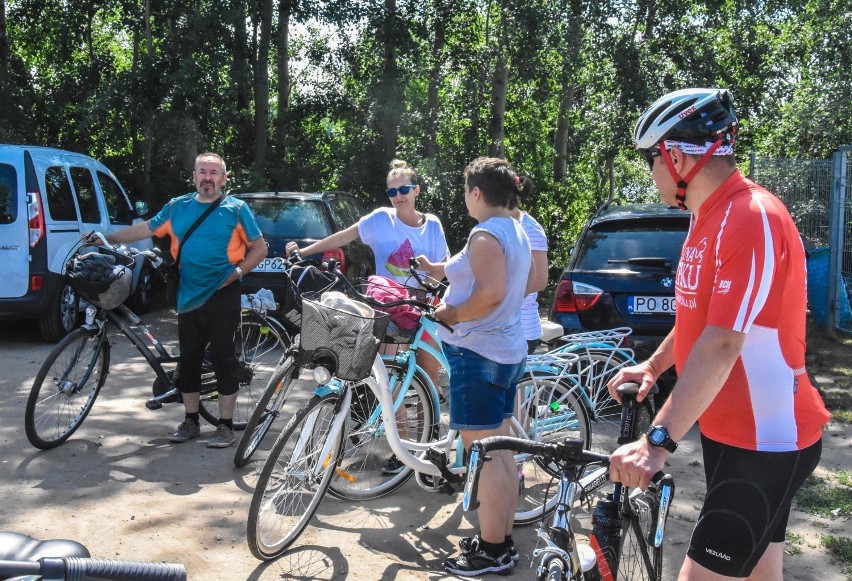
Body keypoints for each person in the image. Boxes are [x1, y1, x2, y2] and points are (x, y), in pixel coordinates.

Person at [607, 88, 830, 581]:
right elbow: (698, 320)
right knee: (757, 574)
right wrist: (654, 364)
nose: (652, 172)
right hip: (733, 432)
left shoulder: (752, 216)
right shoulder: (707, 215)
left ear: (678, 155)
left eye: (652, 160)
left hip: (766, 440)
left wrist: (657, 441)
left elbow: (725, 341)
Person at [285, 159, 450, 473]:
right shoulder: (379, 219)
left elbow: (442, 266)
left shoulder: (433, 225)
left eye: (404, 189)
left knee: (427, 382)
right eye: (392, 191)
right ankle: (401, 453)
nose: (398, 195)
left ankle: (428, 444)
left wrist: (433, 287)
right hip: (388, 309)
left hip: (422, 310)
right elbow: (343, 237)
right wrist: (305, 252)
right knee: (393, 383)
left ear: (416, 189)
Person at [417, 157, 534, 577]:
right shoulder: (515, 229)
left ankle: (491, 551)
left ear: (477, 192)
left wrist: (450, 314)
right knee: (499, 452)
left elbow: (489, 294)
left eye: (466, 191)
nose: (465, 198)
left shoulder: (485, 233)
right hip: (506, 350)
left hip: (478, 352)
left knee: (484, 457)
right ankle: (499, 541)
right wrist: (439, 273)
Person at [103, 152, 268, 449]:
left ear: (224, 178)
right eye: (202, 171)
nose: (208, 177)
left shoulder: (236, 209)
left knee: (223, 358)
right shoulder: (176, 207)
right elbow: (146, 229)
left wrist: (238, 273)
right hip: (188, 295)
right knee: (188, 359)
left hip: (223, 293)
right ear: (193, 176)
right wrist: (109, 237)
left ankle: (225, 425)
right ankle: (191, 421)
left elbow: (259, 248)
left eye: (214, 172)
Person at [509, 194, 548, 354]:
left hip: (521, 329)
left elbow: (539, 280)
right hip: (502, 328)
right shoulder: (498, 224)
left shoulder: (529, 227)